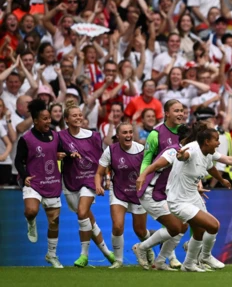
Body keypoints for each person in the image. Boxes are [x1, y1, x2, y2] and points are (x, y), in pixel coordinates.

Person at [140, 123, 232, 272]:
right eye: (216, 139)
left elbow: (226, 161)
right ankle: (205, 256)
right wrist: (179, 157)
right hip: (178, 201)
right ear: (207, 141)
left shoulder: (208, 152)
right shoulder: (191, 150)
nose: (219, 142)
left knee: (199, 230)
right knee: (213, 225)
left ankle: (188, 264)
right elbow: (183, 157)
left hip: (192, 196)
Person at [58, 100, 115, 267]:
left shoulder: (93, 136)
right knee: (87, 217)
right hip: (70, 180)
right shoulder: (60, 136)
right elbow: (52, 153)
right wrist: (59, 155)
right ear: (66, 119)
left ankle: (84, 255)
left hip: (90, 178)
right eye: (74, 115)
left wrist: (105, 177)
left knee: (83, 212)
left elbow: (103, 159)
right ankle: (107, 252)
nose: (78, 118)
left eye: (80, 115)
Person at [134, 100, 186, 270]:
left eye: (182, 111)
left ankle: (163, 259)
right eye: (176, 111)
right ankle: (150, 251)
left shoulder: (185, 133)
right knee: (175, 226)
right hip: (155, 187)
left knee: (182, 224)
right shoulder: (155, 134)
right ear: (166, 113)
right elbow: (147, 159)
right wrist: (142, 178)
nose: (180, 114)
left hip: (173, 188)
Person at [14, 99, 63, 268]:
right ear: (35, 120)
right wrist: (25, 175)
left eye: (49, 118)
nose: (48, 121)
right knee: (31, 210)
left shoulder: (55, 135)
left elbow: (60, 151)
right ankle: (31, 222)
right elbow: (18, 161)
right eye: (44, 119)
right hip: (34, 182)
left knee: (54, 221)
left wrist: (61, 155)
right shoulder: (26, 139)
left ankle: (51, 255)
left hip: (52, 182)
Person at [94, 122, 150, 269]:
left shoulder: (141, 150)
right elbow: (99, 172)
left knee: (140, 230)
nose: (128, 135)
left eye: (130, 132)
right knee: (118, 226)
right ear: (118, 136)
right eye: (124, 133)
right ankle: (118, 260)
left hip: (138, 193)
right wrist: (98, 185)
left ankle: (148, 248)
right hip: (118, 191)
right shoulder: (110, 151)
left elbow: (150, 171)